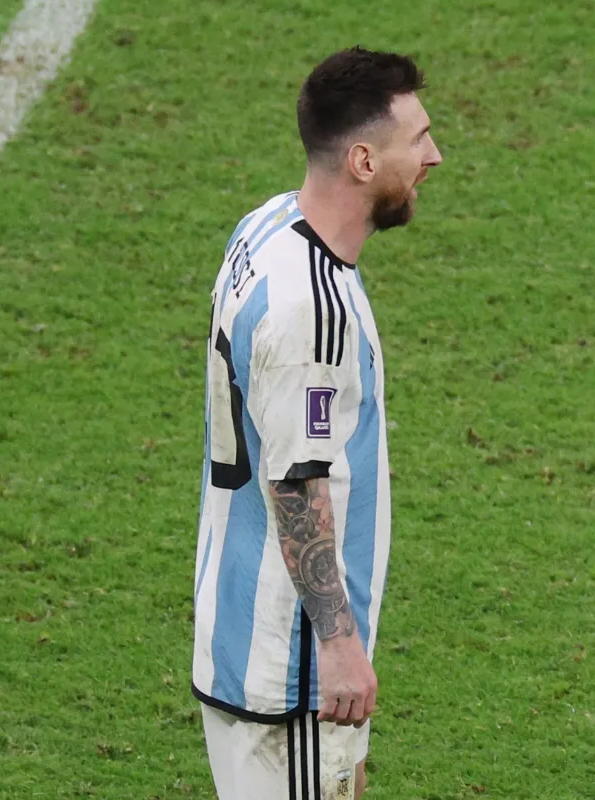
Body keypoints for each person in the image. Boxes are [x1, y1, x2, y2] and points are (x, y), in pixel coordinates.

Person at [192, 48, 442, 799]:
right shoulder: (312, 316)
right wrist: (337, 644)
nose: (435, 155)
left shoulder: (267, 225)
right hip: (290, 666)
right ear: (364, 161)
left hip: (245, 628)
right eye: (418, 139)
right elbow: (298, 483)